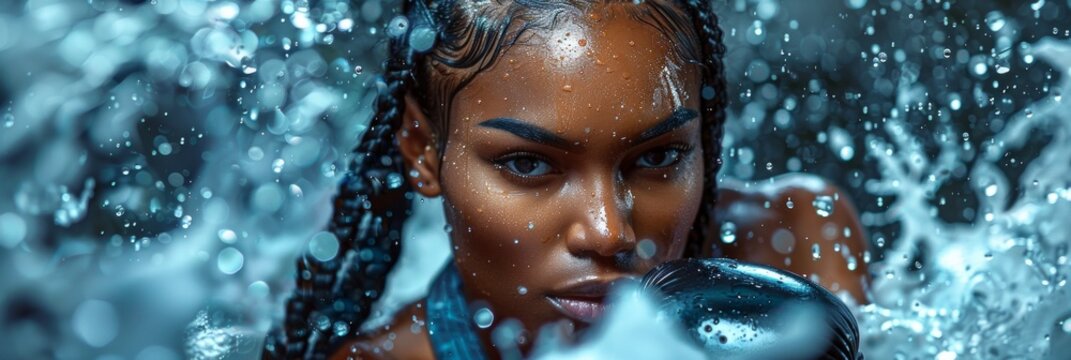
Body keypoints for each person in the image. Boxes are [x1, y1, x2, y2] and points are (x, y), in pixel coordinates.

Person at [261, 0, 869, 358]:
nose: (610, 231)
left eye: (658, 158)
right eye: (528, 164)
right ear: (423, 152)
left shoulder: (796, 241)